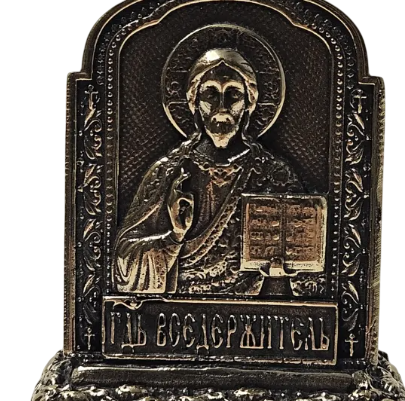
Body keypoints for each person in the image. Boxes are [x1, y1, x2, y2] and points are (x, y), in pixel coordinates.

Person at [113, 48, 303, 295]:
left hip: (252, 314)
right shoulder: (168, 172)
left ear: (249, 103)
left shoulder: (274, 176)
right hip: (178, 313)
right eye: (210, 94)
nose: (221, 107)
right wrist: (174, 236)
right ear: (194, 102)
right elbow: (122, 263)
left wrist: (283, 274)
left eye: (233, 94)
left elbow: (312, 271)